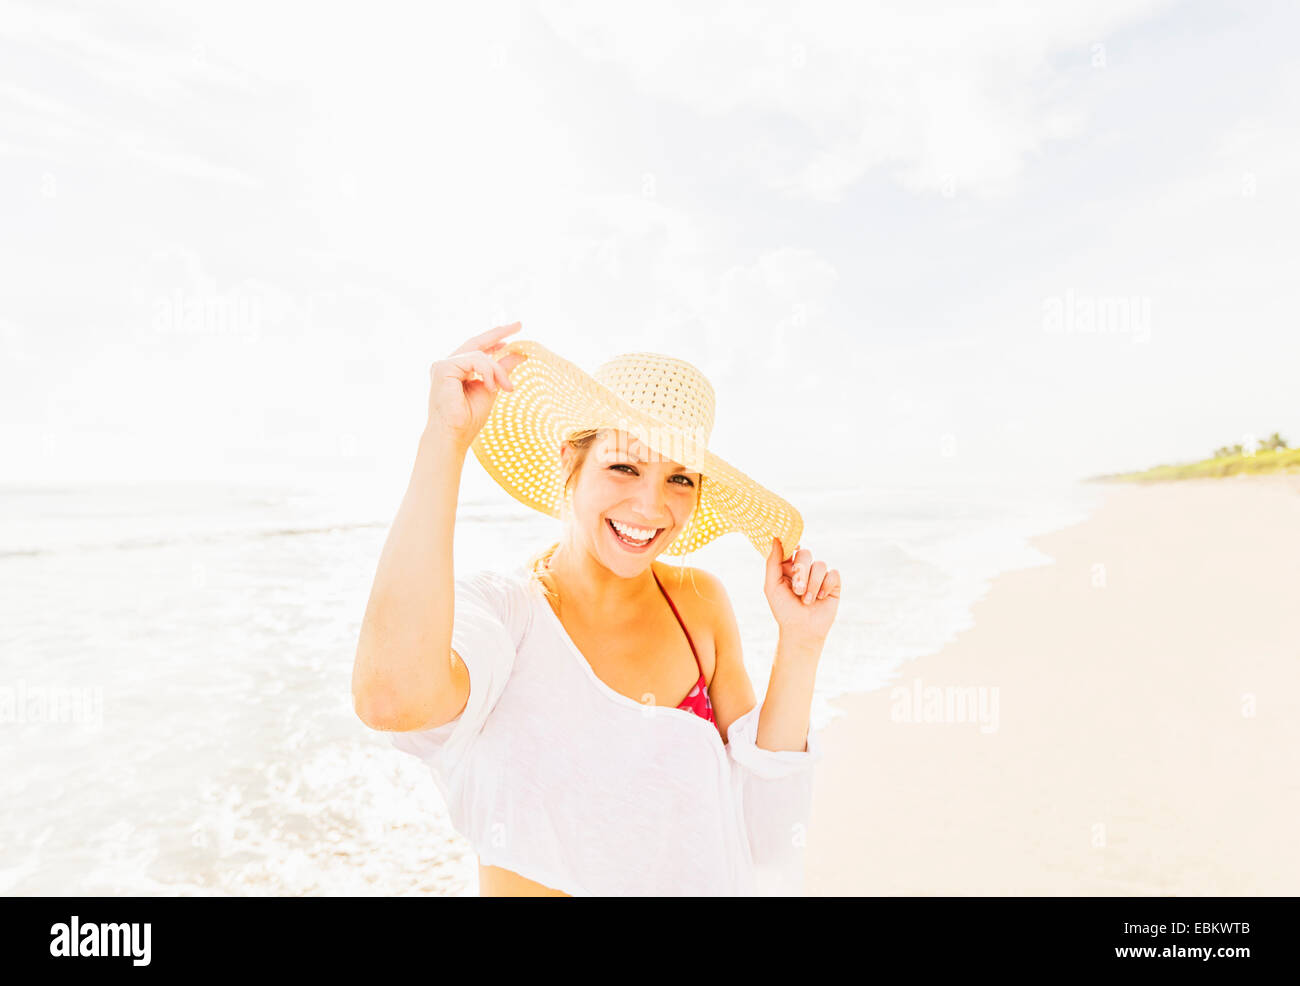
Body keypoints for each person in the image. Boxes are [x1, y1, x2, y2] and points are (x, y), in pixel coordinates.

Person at [352, 320, 842, 896]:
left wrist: (802, 643)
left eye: (679, 478)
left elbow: (766, 823)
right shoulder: (510, 615)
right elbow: (391, 698)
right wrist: (444, 441)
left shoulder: (699, 605)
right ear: (569, 463)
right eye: (624, 467)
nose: (651, 505)